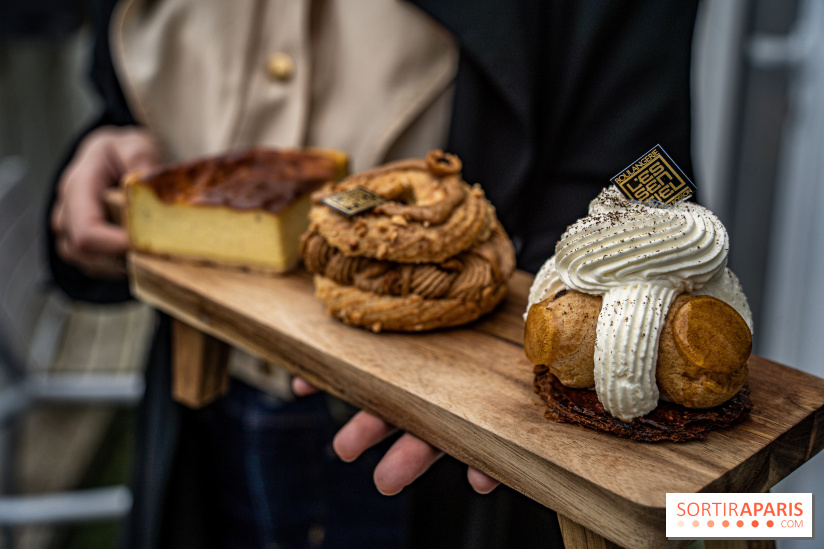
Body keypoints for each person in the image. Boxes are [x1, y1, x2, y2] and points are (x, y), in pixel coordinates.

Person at [47, 0, 699, 547]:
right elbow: (125, 96)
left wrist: (527, 329)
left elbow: (649, 174)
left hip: (441, 450)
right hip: (201, 404)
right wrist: (102, 158)